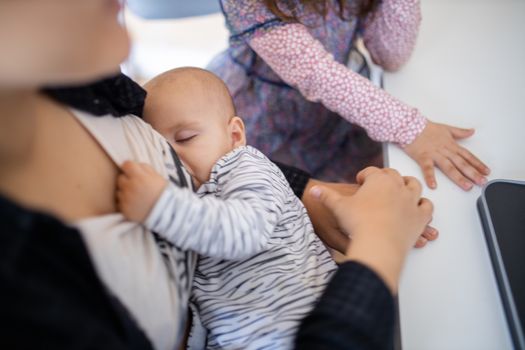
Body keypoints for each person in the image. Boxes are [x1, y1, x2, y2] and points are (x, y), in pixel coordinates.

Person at [0, 1, 433, 349]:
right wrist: (380, 245)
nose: (176, 158)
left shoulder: (85, 79)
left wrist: (306, 196)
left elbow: (227, 166)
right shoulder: (28, 290)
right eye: (170, 144)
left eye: (184, 138)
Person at [117, 67, 339, 349]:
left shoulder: (246, 167)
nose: (174, 157)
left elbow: (244, 233)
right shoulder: (194, 200)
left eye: (185, 138)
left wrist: (160, 205)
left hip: (296, 328)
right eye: (161, 150)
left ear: (234, 135)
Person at [211, 0, 490, 190]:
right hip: (265, 115)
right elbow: (315, 72)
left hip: (339, 112)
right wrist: (412, 129)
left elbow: (390, 57)